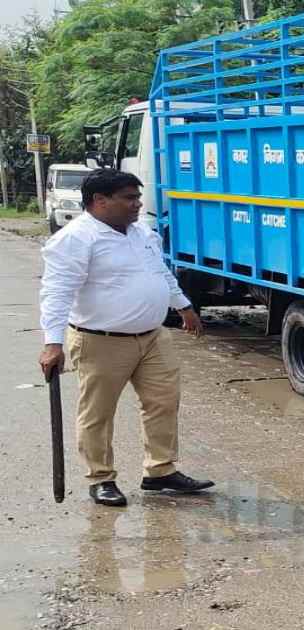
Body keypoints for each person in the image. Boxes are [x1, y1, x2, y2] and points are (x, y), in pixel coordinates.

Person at [38, 169, 214, 507]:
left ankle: (160, 470)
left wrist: (183, 305)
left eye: (137, 197)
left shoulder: (142, 231)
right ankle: (101, 477)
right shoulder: (75, 239)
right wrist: (52, 343)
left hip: (153, 337)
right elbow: (57, 293)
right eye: (129, 198)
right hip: (101, 340)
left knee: (163, 402)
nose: (137, 204)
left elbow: (159, 272)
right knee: (98, 413)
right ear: (100, 201)